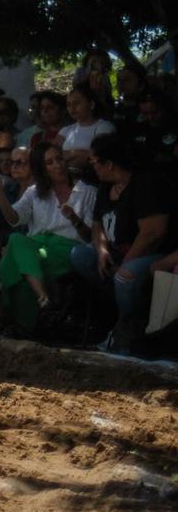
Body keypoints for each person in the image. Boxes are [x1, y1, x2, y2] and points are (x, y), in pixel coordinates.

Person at [70, 134, 174, 355]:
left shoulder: (145, 184)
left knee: (125, 277)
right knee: (79, 255)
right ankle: (121, 308)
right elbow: (97, 225)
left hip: (152, 255)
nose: (92, 166)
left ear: (109, 163)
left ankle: (127, 327)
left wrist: (124, 264)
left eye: (94, 161)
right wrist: (102, 251)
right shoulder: (105, 187)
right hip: (116, 252)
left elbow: (153, 233)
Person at [0, 142, 96, 333]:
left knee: (9, 263)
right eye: (49, 163)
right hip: (37, 248)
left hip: (67, 248)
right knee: (16, 240)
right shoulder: (35, 192)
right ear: (42, 169)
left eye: (59, 159)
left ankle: (24, 321)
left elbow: (90, 236)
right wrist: (0, 192)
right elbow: (14, 219)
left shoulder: (87, 192)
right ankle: (43, 302)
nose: (57, 165)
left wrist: (74, 218)